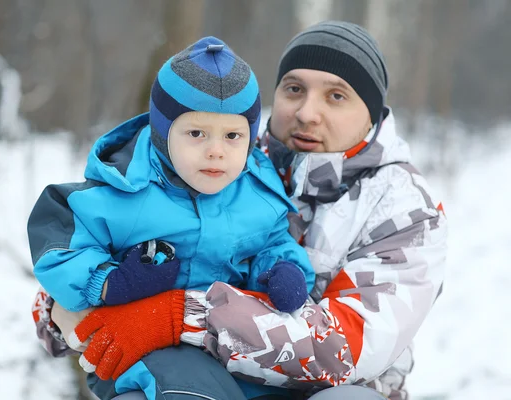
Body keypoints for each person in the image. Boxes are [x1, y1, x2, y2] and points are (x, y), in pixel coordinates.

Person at [34, 21, 447, 400]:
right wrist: (71, 307)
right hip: (193, 380)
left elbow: (347, 348)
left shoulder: (406, 209)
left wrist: (180, 315)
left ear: (372, 113)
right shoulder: (227, 157)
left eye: (335, 95)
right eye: (293, 89)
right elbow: (82, 253)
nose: (306, 112)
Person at [28, 36, 315, 399]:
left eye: (232, 135)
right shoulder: (124, 192)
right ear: (163, 134)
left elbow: (273, 241)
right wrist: (108, 282)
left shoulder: (257, 191)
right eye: (196, 133)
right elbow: (58, 241)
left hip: (227, 351)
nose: (216, 151)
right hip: (137, 349)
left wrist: (281, 270)